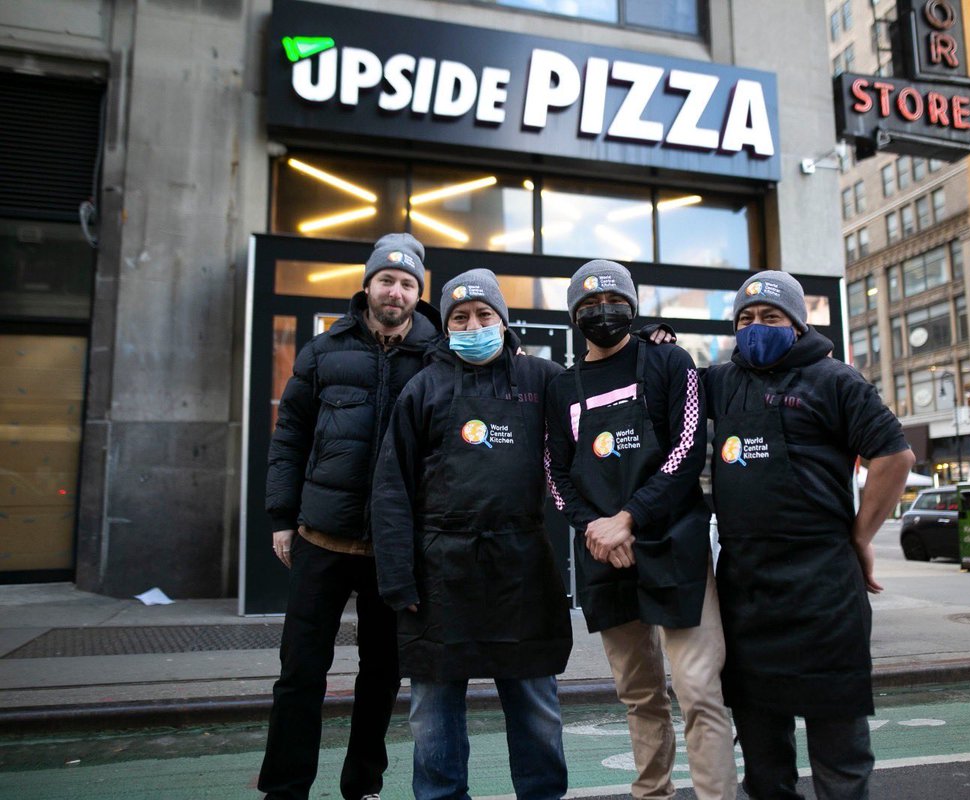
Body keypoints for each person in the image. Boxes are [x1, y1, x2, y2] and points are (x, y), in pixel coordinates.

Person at [704, 270, 914, 800]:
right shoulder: (722, 382)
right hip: (746, 590)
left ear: (797, 324)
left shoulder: (835, 380)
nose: (756, 327)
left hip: (823, 587)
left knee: (840, 753)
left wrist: (860, 536)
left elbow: (894, 456)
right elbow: (663, 388)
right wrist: (656, 338)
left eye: (770, 317)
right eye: (745, 319)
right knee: (763, 761)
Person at [372, 268, 573, 800]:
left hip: (521, 566)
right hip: (439, 569)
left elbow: (607, 396)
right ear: (446, 326)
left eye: (485, 315)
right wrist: (396, 577)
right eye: (460, 317)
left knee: (535, 706)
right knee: (433, 714)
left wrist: (652, 345)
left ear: (503, 322)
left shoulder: (543, 379)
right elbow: (391, 487)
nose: (473, 324)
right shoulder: (423, 387)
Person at [545, 260, 737, 800]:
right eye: (587, 307)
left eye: (612, 302)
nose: (602, 313)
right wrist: (599, 530)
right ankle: (652, 793)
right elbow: (557, 479)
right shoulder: (563, 387)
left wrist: (628, 519)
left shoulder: (670, 361)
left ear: (632, 305)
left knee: (700, 691)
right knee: (639, 694)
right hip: (605, 554)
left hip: (673, 545)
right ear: (573, 317)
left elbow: (687, 450)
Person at [259, 233, 439, 800]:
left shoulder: (438, 356)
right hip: (322, 539)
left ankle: (362, 784)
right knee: (299, 674)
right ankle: (286, 787)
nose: (396, 290)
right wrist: (282, 516)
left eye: (408, 283)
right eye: (387, 279)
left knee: (382, 676)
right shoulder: (322, 351)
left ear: (418, 293)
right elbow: (289, 438)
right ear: (367, 286)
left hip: (394, 547)